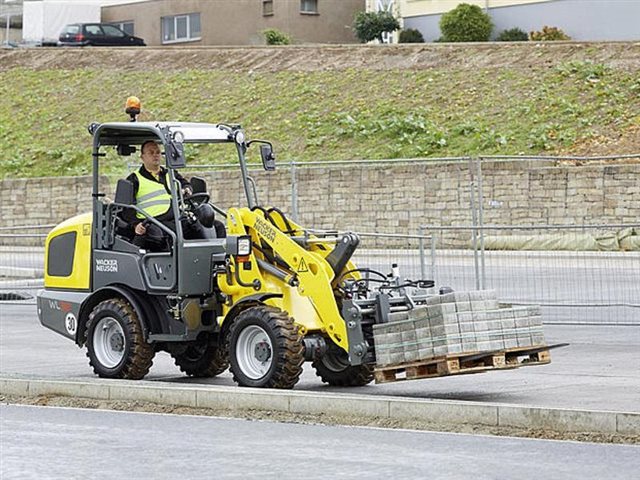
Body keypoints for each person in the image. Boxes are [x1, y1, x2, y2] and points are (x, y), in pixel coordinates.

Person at [123, 140, 201, 250]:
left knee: (211, 226)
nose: (155, 155)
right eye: (151, 152)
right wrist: (136, 225)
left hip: (175, 217)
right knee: (172, 233)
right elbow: (126, 207)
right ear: (142, 157)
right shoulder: (135, 179)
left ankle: (218, 261)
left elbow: (185, 183)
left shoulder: (170, 173)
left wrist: (187, 189)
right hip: (153, 222)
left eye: (158, 152)